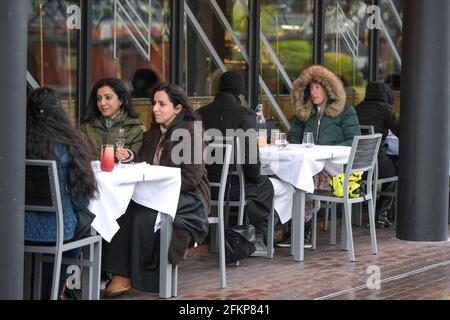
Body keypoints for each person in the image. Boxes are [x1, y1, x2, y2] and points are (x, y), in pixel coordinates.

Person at [102, 83, 210, 298]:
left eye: (162, 104)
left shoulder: (191, 132)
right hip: (154, 194)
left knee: (144, 215)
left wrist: (157, 183)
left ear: (178, 108)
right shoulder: (153, 133)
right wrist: (132, 157)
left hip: (188, 197)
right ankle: (120, 273)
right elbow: (144, 162)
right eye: (154, 103)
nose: (155, 108)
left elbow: (191, 178)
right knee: (121, 209)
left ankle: (138, 275)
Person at [197, 70, 293, 253]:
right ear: (239, 90)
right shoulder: (244, 114)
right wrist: (258, 177)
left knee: (261, 184)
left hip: (205, 185)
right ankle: (254, 238)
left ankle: (245, 234)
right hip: (234, 187)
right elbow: (250, 161)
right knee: (274, 187)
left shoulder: (200, 113)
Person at [25, 87, 98, 299]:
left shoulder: (15, 141)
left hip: (17, 229)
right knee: (85, 223)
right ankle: (59, 284)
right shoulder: (68, 144)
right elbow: (80, 198)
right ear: (58, 111)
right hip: (58, 231)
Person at [286, 65, 361, 246]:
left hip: (337, 172)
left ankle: (304, 228)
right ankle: (297, 227)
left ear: (328, 89)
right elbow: (293, 136)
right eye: (310, 88)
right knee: (290, 178)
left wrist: (327, 151)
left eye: (317, 87)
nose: (313, 92)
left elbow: (354, 141)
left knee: (304, 179)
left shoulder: (345, 111)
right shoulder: (306, 112)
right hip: (311, 165)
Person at [356, 81, 400, 227]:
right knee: (396, 170)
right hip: (374, 164)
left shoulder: (357, 109)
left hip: (354, 167)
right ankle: (382, 215)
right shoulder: (384, 109)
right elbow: (401, 130)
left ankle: (371, 213)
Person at [80, 77, 145, 160]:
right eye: (99, 99)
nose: (102, 103)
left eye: (108, 98)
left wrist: (128, 155)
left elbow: (139, 159)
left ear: (120, 100)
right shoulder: (86, 127)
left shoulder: (135, 128)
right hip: (92, 172)